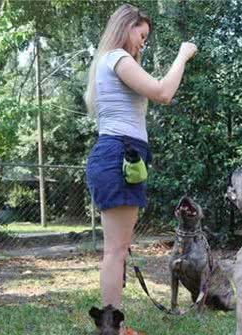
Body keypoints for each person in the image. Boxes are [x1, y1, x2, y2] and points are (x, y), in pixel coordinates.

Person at [84, 4, 197, 315]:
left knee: (116, 251)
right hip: (120, 155)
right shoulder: (118, 58)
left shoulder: (108, 62)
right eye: (142, 35)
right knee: (115, 252)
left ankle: (112, 326)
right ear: (126, 28)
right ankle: (111, 330)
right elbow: (162, 92)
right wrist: (183, 55)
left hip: (120, 155)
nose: (143, 43)